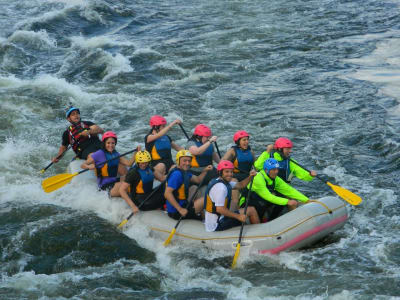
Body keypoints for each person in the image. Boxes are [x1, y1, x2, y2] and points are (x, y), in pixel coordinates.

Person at [240, 158, 309, 222]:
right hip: (246, 202)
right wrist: (287, 202)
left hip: (261, 198)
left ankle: (272, 220)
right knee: (263, 204)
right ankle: (261, 223)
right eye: (273, 169)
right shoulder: (258, 178)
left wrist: (306, 200)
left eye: (277, 169)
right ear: (266, 170)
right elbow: (268, 197)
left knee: (282, 198)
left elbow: (289, 190)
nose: (276, 172)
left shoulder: (275, 178)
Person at [204, 160, 260, 232]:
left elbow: (241, 185)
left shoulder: (222, 181)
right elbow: (220, 209)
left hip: (218, 219)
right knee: (251, 210)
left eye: (231, 172)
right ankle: (259, 232)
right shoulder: (221, 188)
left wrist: (251, 176)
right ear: (220, 172)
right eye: (227, 172)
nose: (230, 174)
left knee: (240, 209)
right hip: (216, 225)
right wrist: (238, 216)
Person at [81, 131, 136, 197]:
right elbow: (83, 165)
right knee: (128, 185)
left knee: (134, 178)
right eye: (108, 143)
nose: (110, 145)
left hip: (114, 181)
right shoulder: (99, 154)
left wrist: (136, 153)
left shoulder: (116, 154)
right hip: (105, 187)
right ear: (104, 143)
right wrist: (89, 167)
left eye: (113, 143)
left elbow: (129, 163)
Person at [164, 150, 213, 220]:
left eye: (189, 161)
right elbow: (167, 193)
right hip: (176, 211)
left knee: (194, 187)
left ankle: (203, 217)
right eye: (184, 161)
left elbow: (198, 180)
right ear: (178, 161)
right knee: (208, 198)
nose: (187, 163)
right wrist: (180, 209)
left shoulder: (185, 172)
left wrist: (205, 171)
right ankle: (208, 219)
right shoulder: (177, 174)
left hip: (184, 204)